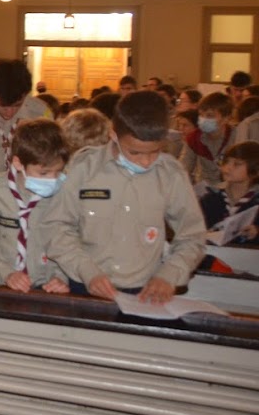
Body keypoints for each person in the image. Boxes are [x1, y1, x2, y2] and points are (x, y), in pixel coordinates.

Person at [44, 91, 207, 304]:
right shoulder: (84, 168)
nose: (146, 161)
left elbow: (192, 236)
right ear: (114, 135)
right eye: (135, 153)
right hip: (85, 285)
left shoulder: (171, 174)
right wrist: (87, 271)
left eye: (155, 151)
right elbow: (57, 227)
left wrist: (169, 274)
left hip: (145, 290)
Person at [0, 119, 71, 293]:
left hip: (48, 288)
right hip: (0, 285)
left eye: (58, 172)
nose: (52, 179)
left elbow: (70, 241)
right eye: (43, 173)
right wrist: (5, 274)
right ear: (18, 163)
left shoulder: (64, 191)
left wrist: (61, 277)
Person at [198, 141, 259, 241]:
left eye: (237, 164)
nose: (227, 168)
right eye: (226, 162)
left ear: (256, 170)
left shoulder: (256, 200)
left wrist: (256, 232)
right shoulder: (210, 197)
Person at [182, 91, 234, 186]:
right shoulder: (194, 138)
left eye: (210, 116)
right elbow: (184, 168)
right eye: (201, 115)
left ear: (226, 118)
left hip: (230, 189)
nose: (204, 119)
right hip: (204, 189)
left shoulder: (237, 137)